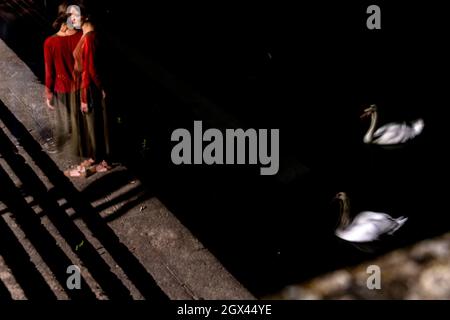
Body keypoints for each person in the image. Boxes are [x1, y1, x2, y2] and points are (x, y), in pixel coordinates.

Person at [66, 4, 111, 175]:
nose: (72, 19)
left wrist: (85, 96)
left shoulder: (90, 38)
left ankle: (102, 159)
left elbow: (90, 70)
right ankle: (96, 157)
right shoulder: (87, 35)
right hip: (87, 86)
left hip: (90, 88)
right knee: (94, 124)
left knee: (95, 124)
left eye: (75, 15)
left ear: (85, 16)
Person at [43, 2, 82, 153]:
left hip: (61, 88)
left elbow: (49, 72)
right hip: (80, 86)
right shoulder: (81, 37)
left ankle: (62, 143)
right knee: (79, 117)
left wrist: (48, 93)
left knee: (63, 119)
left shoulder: (50, 42)